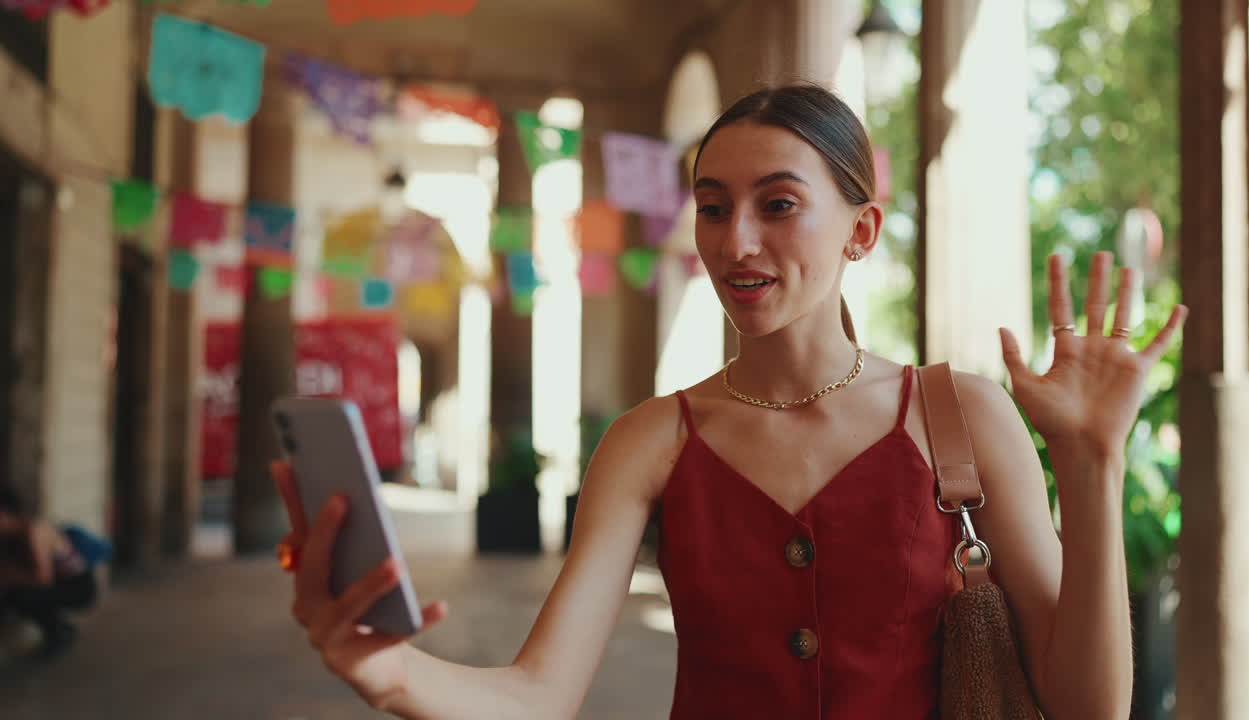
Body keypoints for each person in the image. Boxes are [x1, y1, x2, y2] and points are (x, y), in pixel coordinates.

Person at [272, 84, 1187, 719]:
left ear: (860, 231)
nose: (736, 241)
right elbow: (537, 696)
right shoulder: (650, 441)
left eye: (778, 205)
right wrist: (387, 673)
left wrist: (1093, 460)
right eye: (713, 208)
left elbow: (1086, 707)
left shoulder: (962, 416)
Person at [0, 485, 107, 661]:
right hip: (58, 583)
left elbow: (43, 577)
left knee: (21, 596)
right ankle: (59, 630)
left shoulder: (36, 532)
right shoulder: (12, 533)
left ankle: (58, 633)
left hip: (77, 586)